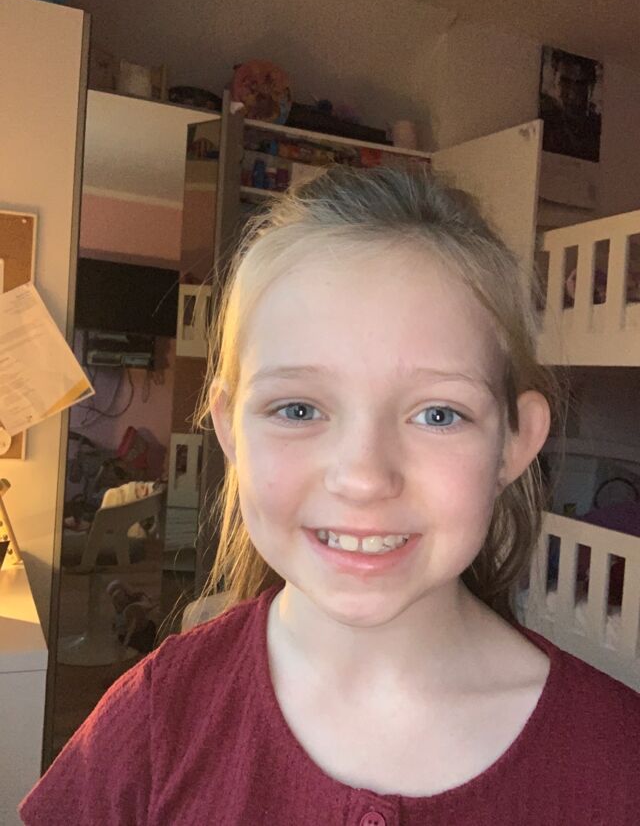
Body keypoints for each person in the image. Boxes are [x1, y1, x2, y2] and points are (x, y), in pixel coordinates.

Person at [20, 167, 639, 825]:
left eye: (438, 414)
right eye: (298, 408)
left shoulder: (619, 762)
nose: (363, 478)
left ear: (516, 441)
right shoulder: (152, 722)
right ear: (230, 430)